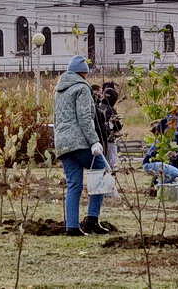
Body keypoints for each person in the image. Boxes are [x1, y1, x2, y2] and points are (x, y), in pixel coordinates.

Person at [54, 55, 110, 236]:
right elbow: (85, 118)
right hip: (79, 142)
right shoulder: (82, 88)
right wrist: (94, 141)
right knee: (101, 172)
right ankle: (92, 219)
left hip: (62, 144)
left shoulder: (59, 90)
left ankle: (72, 227)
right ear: (83, 73)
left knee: (74, 184)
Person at [98, 87, 123, 169]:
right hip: (109, 140)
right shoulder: (110, 110)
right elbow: (117, 127)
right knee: (111, 165)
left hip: (98, 140)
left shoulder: (97, 107)